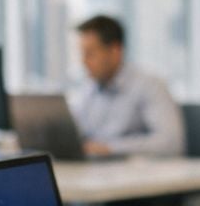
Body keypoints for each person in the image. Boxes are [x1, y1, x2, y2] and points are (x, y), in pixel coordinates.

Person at [70, 15, 184, 157]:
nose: (84, 62)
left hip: (137, 173)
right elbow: (77, 133)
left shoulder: (150, 85)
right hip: (94, 171)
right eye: (82, 54)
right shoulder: (88, 89)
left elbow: (170, 143)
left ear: (115, 51)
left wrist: (110, 148)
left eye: (90, 54)